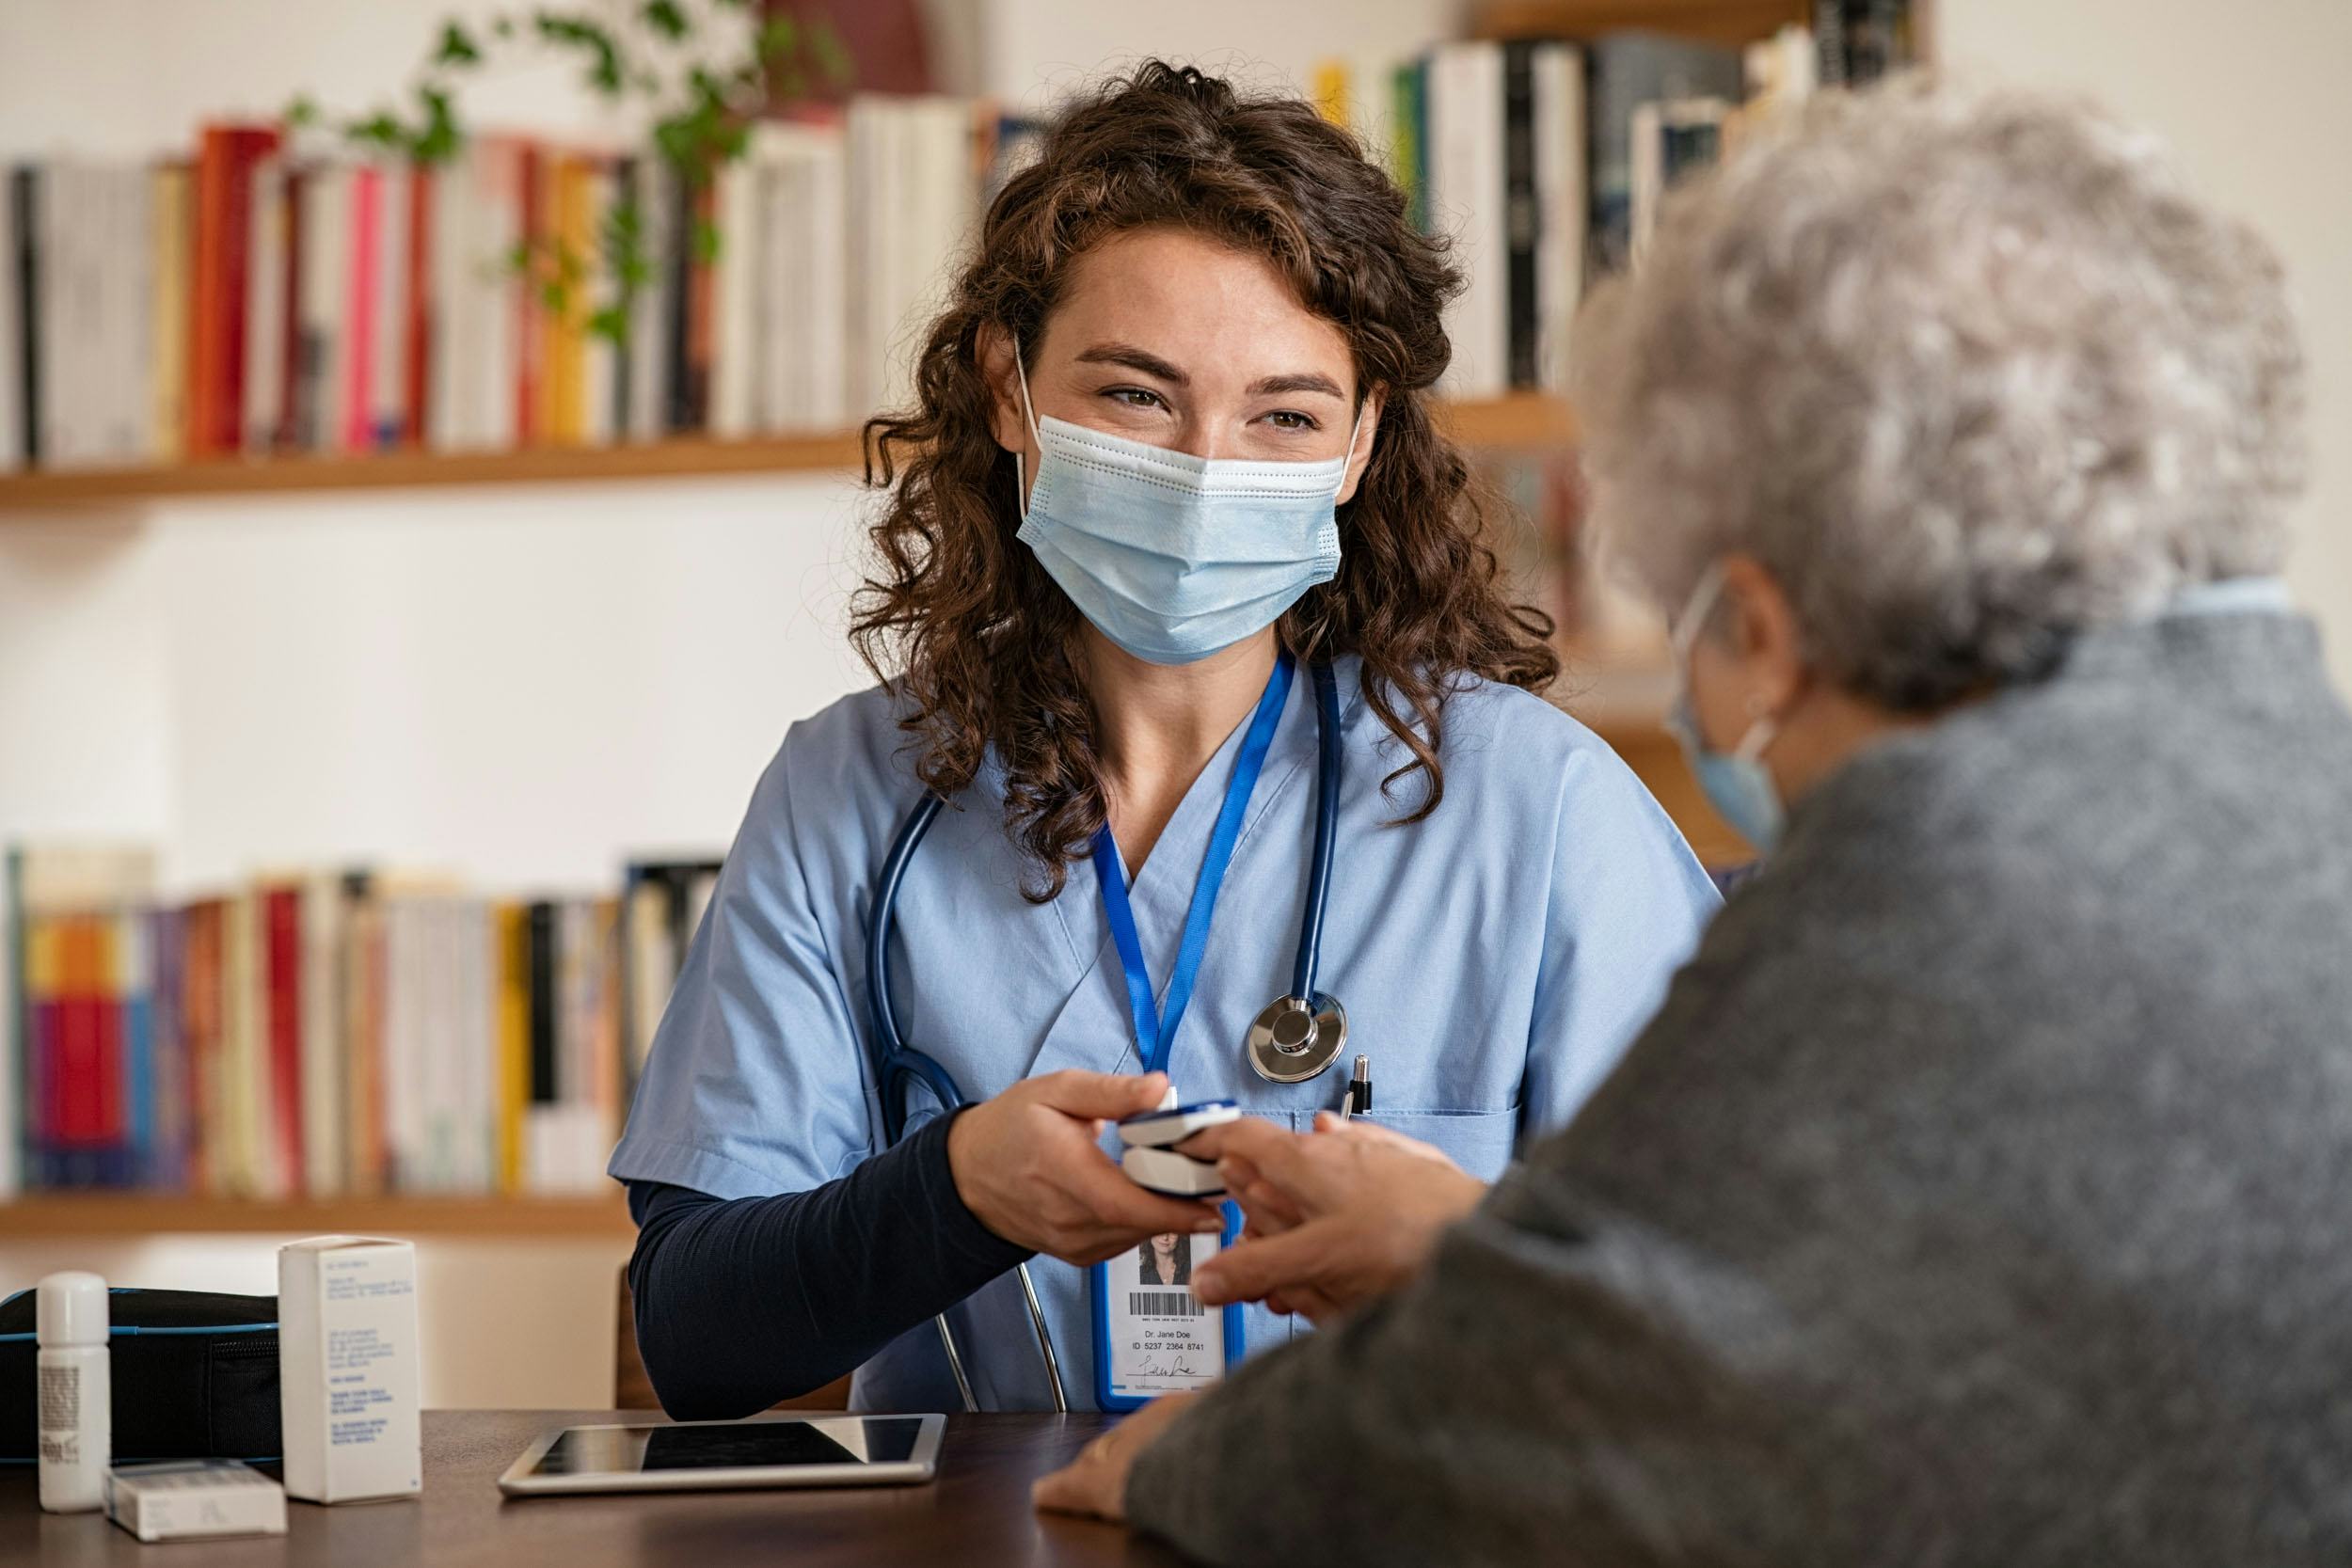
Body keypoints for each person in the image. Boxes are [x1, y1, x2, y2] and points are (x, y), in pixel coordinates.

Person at [1034, 77, 2352, 1563]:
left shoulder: (1928, 871)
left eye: (1697, 630)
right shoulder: (2287, 760)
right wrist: (1478, 1257)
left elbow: (1586, 1419)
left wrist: (1186, 1467)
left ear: (1771, 632)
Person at [607, 60, 1718, 1417]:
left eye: (1285, 416)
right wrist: (954, 1189)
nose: (1206, 470)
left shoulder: (1535, 810)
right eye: (1136, 397)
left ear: (1361, 445)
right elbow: (698, 1338)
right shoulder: (853, 796)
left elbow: (1723, 1320)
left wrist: (1452, 1256)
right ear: (1007, 390)